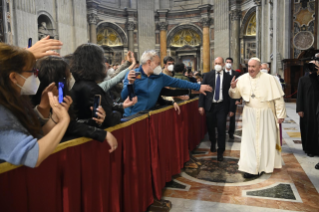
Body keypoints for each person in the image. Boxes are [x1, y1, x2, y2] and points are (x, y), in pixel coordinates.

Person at [0, 43, 71, 168]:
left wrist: (54, 117)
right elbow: (33, 154)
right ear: (13, 77)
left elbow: (36, 136)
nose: (35, 75)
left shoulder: (14, 100)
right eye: (32, 71)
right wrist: (64, 121)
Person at [32, 56, 118, 152]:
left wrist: (95, 121)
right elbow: (68, 127)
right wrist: (100, 133)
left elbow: (71, 123)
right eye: (68, 76)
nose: (71, 78)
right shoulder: (38, 101)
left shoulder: (65, 96)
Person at [229, 57, 286, 178]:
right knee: (250, 141)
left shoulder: (270, 79)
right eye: (249, 66)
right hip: (249, 113)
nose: (250, 69)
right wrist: (233, 88)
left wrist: (280, 114)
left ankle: (264, 166)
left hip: (266, 113)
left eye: (253, 66)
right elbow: (235, 95)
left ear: (260, 67)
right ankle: (251, 167)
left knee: (265, 140)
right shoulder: (242, 79)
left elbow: (278, 99)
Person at [121, 50, 213, 117]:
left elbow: (178, 82)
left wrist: (198, 87)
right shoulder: (135, 74)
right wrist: (130, 83)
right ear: (149, 62)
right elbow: (123, 96)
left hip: (149, 115)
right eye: (157, 63)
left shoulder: (160, 76)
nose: (159, 66)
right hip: (132, 117)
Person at [70, 43, 137, 128]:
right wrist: (119, 114)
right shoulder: (93, 89)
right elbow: (109, 119)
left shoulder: (76, 84)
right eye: (102, 60)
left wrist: (122, 105)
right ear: (96, 64)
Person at [198, 57, 235, 161]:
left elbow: (232, 94)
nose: (217, 65)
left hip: (222, 106)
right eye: (215, 63)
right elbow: (202, 91)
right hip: (210, 105)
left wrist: (232, 109)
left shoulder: (229, 77)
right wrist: (200, 105)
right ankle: (213, 142)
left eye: (219, 63)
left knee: (221, 128)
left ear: (223, 64)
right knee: (210, 127)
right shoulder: (207, 75)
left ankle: (220, 150)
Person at [296, 61, 319, 157]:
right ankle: (308, 148)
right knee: (308, 128)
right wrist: (300, 109)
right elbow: (299, 95)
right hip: (307, 108)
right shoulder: (303, 79)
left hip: (317, 108)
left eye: (316, 66)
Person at [225, 57, 240, 139]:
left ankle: (231, 132)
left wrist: (238, 99)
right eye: (227, 62)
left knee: (232, 116)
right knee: (222, 116)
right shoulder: (222, 73)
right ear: (224, 63)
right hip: (223, 98)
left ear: (232, 64)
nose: (228, 63)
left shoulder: (236, 74)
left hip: (233, 98)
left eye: (230, 62)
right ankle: (222, 132)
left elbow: (239, 87)